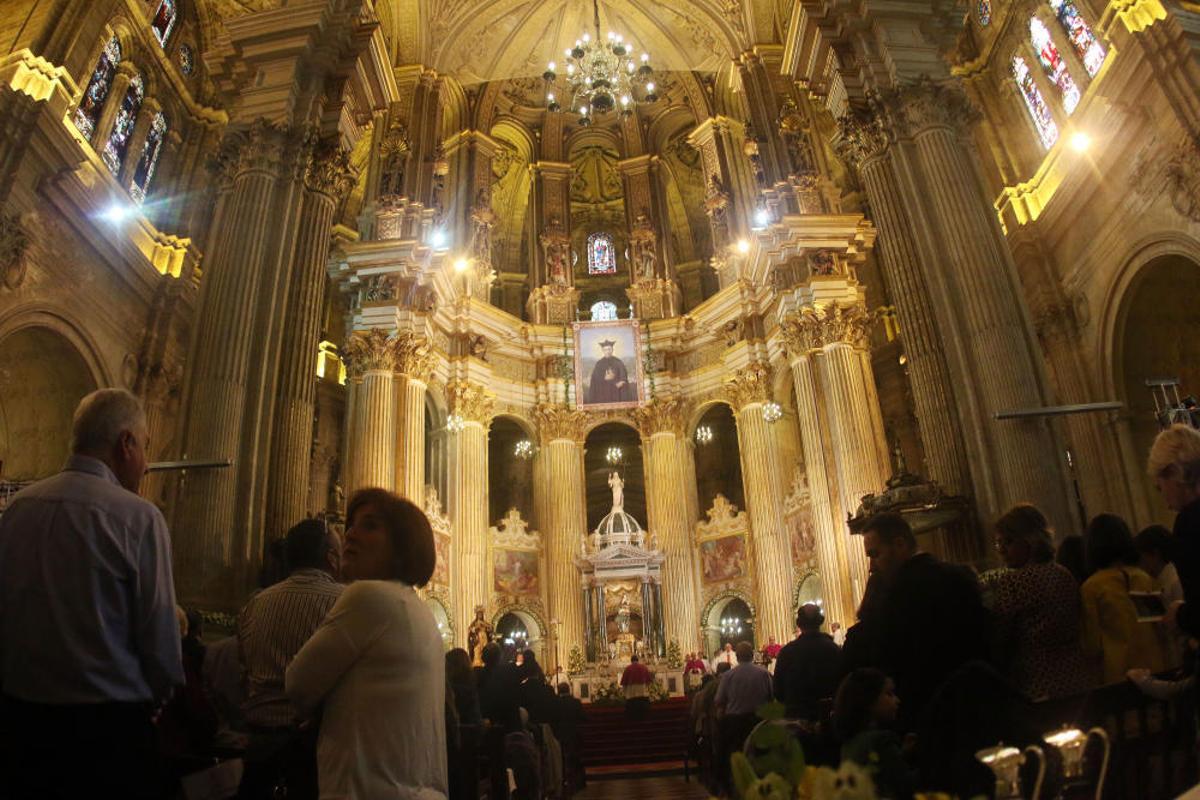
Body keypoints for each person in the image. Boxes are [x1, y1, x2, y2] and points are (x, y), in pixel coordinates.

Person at [0, 388, 183, 799]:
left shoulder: (17, 510)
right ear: (126, 444)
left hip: (18, 725)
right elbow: (162, 650)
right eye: (146, 447)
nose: (147, 464)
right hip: (106, 736)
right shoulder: (138, 518)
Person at [286, 488, 446, 799]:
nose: (351, 535)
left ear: (402, 545)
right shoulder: (418, 610)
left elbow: (297, 685)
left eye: (370, 526)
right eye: (351, 525)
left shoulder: (368, 596)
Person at [238, 518, 344, 800]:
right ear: (332, 558)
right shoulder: (344, 602)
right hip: (315, 753)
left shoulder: (255, 604)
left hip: (259, 750)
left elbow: (244, 668)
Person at [859, 512, 989, 731]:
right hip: (977, 703)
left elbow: (886, 659)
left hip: (925, 715)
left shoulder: (895, 596)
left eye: (875, 554)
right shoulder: (959, 576)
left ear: (900, 545)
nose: (871, 566)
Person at [987, 505, 1095, 700]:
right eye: (998, 543)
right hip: (1075, 677)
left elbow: (1001, 635)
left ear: (1030, 540)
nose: (1001, 550)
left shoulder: (1013, 581)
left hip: (1036, 682)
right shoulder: (1064, 573)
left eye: (1008, 542)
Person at [1080, 513, 1166, 683]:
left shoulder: (1092, 587)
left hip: (1119, 672)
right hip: (1156, 666)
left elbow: (1091, 643)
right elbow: (1160, 626)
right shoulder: (1144, 578)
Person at [1149, 425, 1200, 647]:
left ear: (1173, 473)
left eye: (1160, 487)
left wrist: (1179, 615)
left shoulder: (1190, 521)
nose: (1165, 499)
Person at [834, 669, 916, 799]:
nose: (897, 700)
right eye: (889, 694)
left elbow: (879, 768)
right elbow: (903, 784)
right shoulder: (882, 739)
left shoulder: (849, 742)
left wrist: (902, 754)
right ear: (868, 700)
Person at [715, 642, 773, 793]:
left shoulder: (728, 676)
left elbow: (719, 701)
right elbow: (771, 697)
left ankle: (735, 789)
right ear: (752, 656)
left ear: (737, 657)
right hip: (760, 723)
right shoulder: (763, 674)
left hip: (735, 724)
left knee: (736, 760)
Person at [773, 603, 842, 720]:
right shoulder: (833, 649)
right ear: (820, 622)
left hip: (798, 717)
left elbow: (778, 691)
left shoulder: (787, 652)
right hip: (829, 717)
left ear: (799, 624)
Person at [1136, 524, 1186, 667]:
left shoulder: (1175, 581)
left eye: (1142, 557)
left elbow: (1184, 622)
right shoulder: (1163, 580)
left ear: (1155, 554)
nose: (1141, 564)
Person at [445, 649, 481, 800]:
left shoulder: (444, 691)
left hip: (447, 758)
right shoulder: (471, 690)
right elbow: (476, 723)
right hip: (470, 757)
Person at [553, 683, 587, 792]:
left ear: (559, 691)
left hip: (560, 734)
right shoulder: (575, 702)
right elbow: (583, 717)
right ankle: (580, 781)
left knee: (562, 759)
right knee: (576, 758)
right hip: (574, 733)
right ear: (569, 690)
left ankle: (565, 781)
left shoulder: (556, 703)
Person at [586, 339, 633, 404]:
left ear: (612, 350)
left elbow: (623, 378)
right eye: (605, 350)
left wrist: (620, 382)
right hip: (602, 392)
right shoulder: (599, 364)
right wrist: (605, 378)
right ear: (602, 351)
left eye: (609, 349)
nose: (607, 351)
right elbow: (594, 380)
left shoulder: (618, 362)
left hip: (616, 392)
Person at [620, 654, 653, 719]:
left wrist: (624, 693)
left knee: (632, 709)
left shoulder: (628, 668)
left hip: (631, 693)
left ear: (631, 661)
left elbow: (624, 682)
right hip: (642, 693)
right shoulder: (644, 667)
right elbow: (648, 681)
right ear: (638, 660)